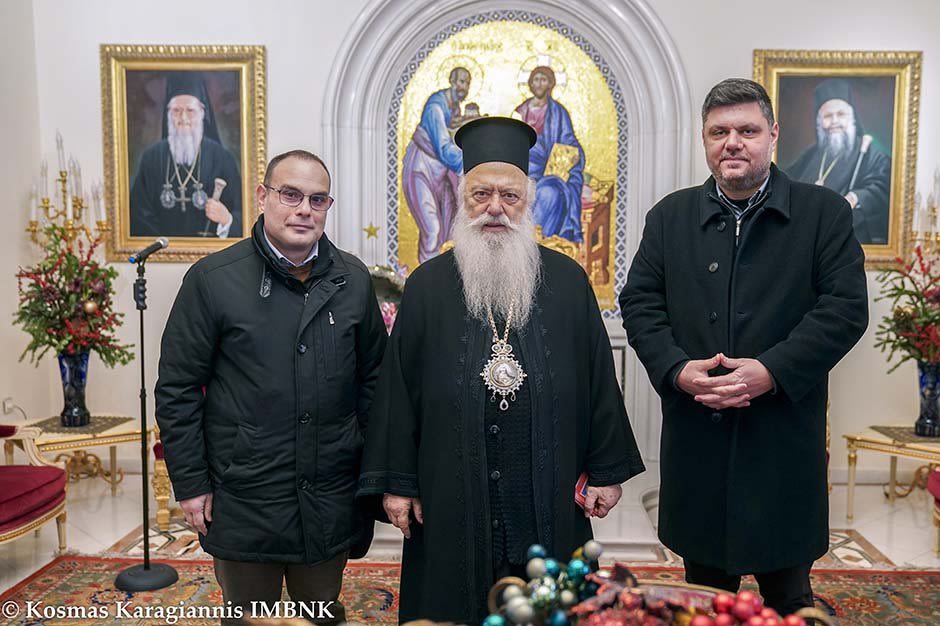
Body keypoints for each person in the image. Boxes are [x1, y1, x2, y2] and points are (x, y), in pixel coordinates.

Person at [360, 116, 644, 624]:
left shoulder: (567, 280)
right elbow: (398, 391)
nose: (495, 207)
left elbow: (599, 378)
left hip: (548, 492)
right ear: (461, 200)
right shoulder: (427, 286)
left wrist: (605, 471)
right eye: (481, 194)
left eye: (509, 196)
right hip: (450, 493)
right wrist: (399, 482)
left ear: (527, 202)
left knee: (549, 607)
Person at [620, 78, 868, 616]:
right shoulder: (668, 217)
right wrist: (677, 369)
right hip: (698, 439)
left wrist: (771, 371)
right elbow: (639, 302)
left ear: (772, 135)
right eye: (719, 132)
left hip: (782, 439)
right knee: (705, 602)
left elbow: (846, 309)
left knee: (789, 601)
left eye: (747, 131)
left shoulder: (824, 212)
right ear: (704, 139)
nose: (732, 142)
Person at [155, 149, 387, 625]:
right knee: (248, 617)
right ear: (262, 196)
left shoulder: (353, 280)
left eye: (317, 200)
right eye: (290, 195)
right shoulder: (213, 280)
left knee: (319, 614)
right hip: (244, 492)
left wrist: (368, 472)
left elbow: (375, 384)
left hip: (329, 491)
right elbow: (178, 389)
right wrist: (192, 484)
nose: (304, 209)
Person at [130, 72, 243, 238]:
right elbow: (138, 214)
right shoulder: (151, 158)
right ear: (168, 115)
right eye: (176, 110)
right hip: (163, 251)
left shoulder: (222, 159)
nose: (183, 118)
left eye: (190, 110)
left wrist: (226, 219)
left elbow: (243, 212)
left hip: (213, 251)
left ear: (202, 113)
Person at [785, 78, 892, 244]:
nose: (834, 121)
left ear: (852, 118)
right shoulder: (809, 156)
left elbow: (882, 186)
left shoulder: (869, 153)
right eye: (828, 116)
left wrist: (857, 196)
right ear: (819, 122)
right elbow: (785, 183)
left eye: (841, 114)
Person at [402, 67, 474, 262]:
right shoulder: (436, 106)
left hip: (441, 175)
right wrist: (471, 163)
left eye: (467, 83)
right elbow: (443, 147)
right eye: (461, 81)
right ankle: (426, 278)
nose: (464, 87)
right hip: (422, 171)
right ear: (452, 81)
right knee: (432, 229)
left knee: (448, 231)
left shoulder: (454, 106)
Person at [514, 65, 586, 242]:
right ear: (530, 83)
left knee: (549, 193)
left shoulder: (558, 113)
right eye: (536, 80)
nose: (539, 84)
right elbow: (510, 142)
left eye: (543, 80)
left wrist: (570, 154)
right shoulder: (519, 112)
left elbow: (569, 141)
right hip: (522, 171)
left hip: (549, 173)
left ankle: (538, 243)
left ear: (550, 84)